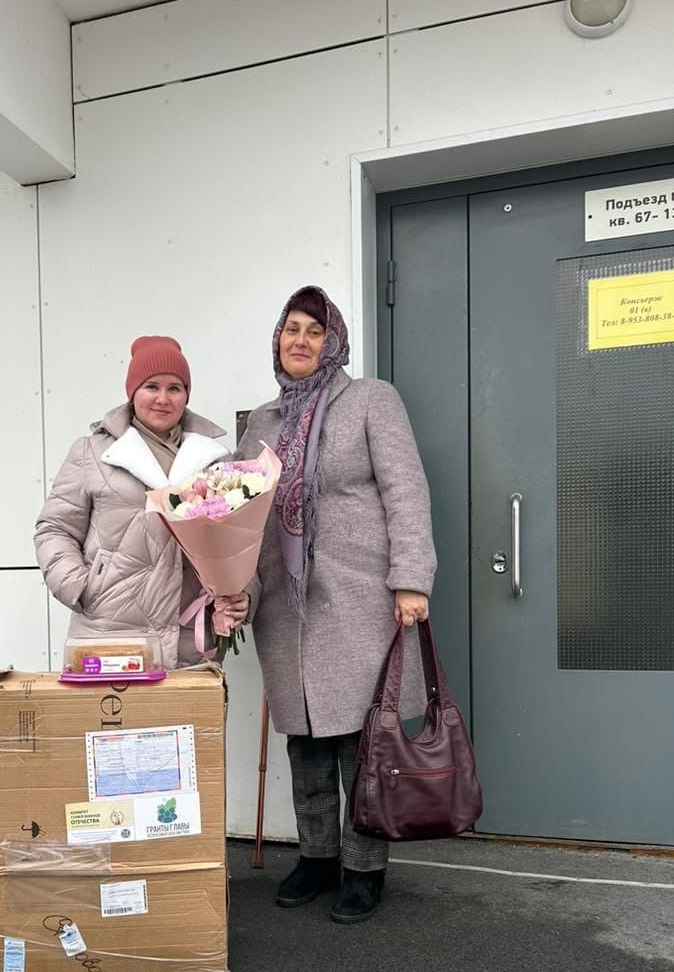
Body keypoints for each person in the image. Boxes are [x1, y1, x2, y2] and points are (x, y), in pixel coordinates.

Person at [225, 285, 436, 923]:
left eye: (314, 331)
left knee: (363, 741)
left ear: (333, 341)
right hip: (287, 605)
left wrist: (411, 579)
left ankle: (364, 868)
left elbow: (406, 491)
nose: (301, 340)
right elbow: (239, 518)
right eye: (291, 329)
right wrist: (237, 588)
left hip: (360, 596)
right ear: (277, 340)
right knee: (307, 739)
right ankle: (317, 857)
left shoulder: (370, 399)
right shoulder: (261, 424)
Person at [34, 335, 231, 669]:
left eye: (175, 388)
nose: (162, 399)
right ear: (133, 392)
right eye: (151, 386)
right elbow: (54, 529)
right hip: (109, 632)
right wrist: (82, 588)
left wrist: (239, 594)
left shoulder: (214, 459)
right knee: (113, 706)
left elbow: (237, 542)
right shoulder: (91, 452)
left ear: (186, 395)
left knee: (183, 707)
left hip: (187, 639)